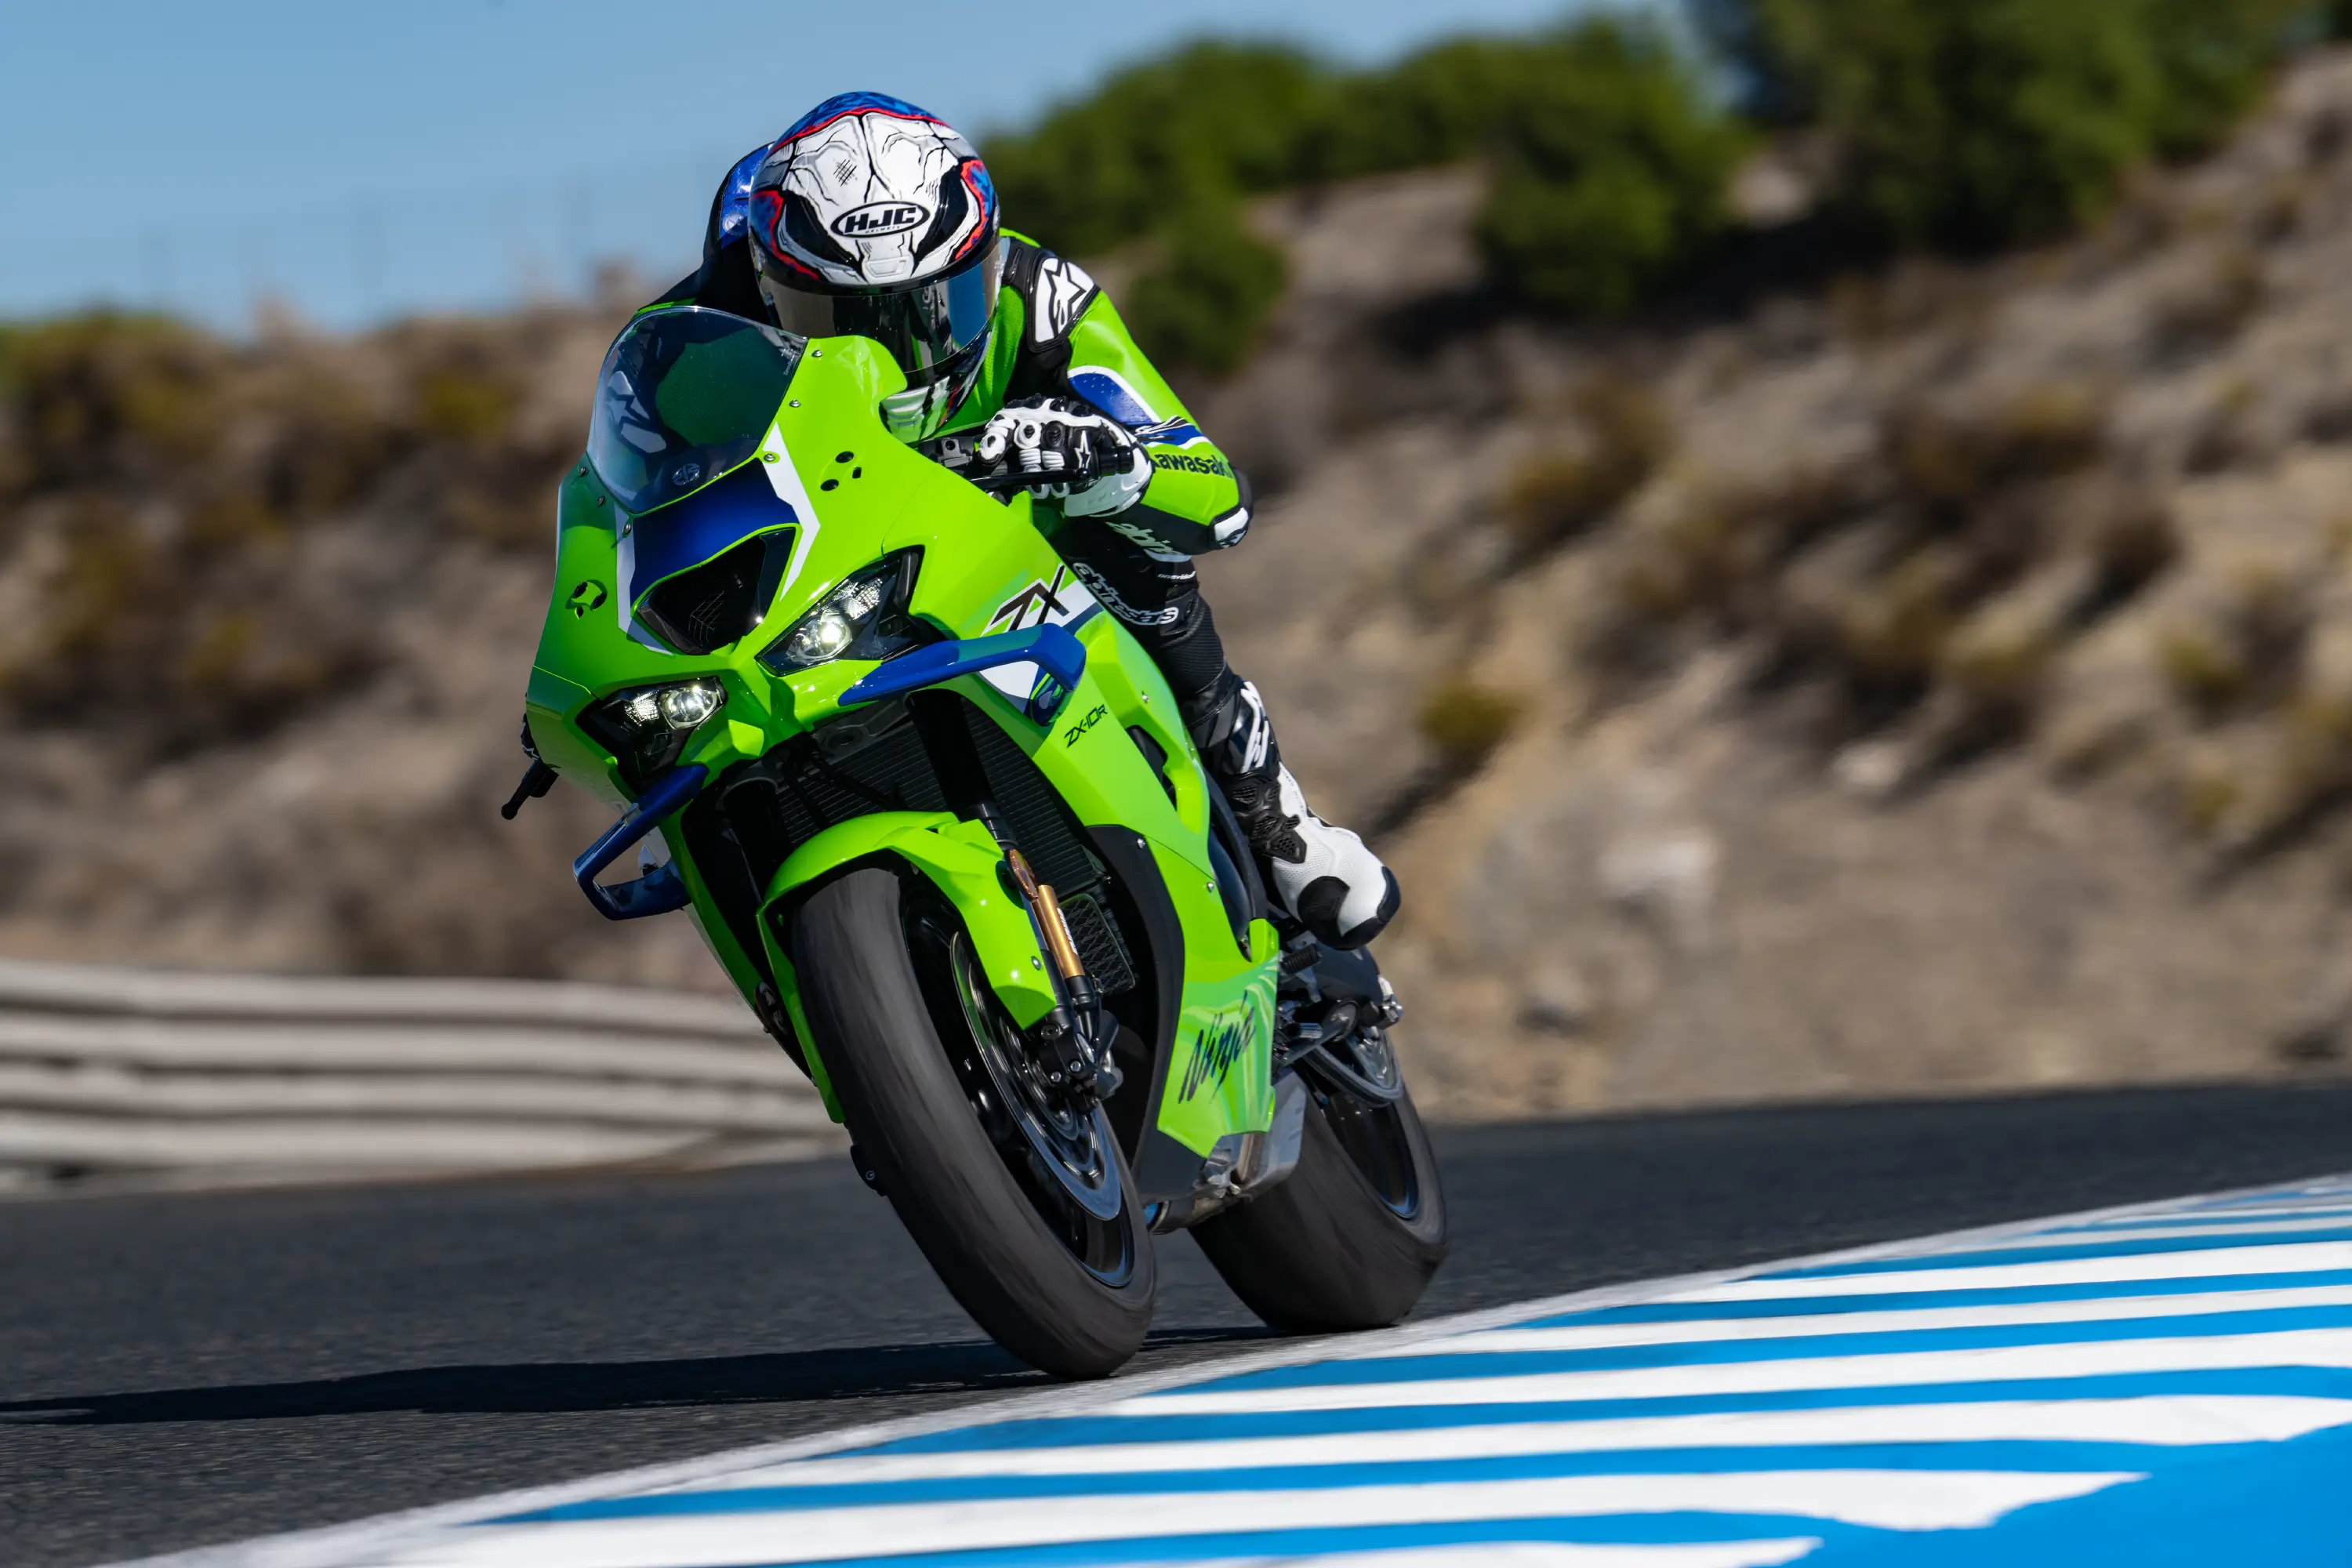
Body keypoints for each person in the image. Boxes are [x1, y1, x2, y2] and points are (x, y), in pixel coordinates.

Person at [645, 92, 1397, 949]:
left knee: (1126, 542)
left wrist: (1111, 461)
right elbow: (624, 501)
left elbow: (1217, 494)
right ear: (774, 295)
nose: (904, 352)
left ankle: (1269, 812)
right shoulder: (697, 346)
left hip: (1015, 535)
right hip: (831, 555)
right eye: (842, 323)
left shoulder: (1040, 296)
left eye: (938, 307)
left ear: (987, 261)